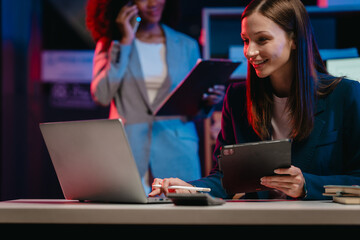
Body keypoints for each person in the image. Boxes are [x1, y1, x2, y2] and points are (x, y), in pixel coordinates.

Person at [149, 0, 360, 200]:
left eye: (262, 40)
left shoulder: (345, 95)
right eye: (246, 40)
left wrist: (307, 185)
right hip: (257, 222)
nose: (249, 52)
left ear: (294, 39)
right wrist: (190, 188)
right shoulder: (237, 98)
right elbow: (225, 179)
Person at [86, 0, 225, 193]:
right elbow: (101, 95)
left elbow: (194, 109)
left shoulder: (186, 45)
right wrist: (125, 41)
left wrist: (208, 101)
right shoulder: (111, 44)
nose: (153, 3)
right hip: (128, 149)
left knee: (180, 218)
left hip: (178, 149)